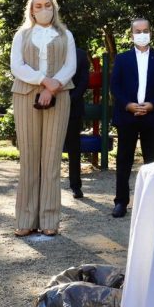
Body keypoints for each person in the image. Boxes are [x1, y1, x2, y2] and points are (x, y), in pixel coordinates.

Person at [10, 0, 76, 237]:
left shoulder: (65, 34)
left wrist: (52, 86)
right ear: (31, 10)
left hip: (59, 96)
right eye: (38, 6)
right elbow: (17, 65)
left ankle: (49, 219)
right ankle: (25, 218)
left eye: (47, 5)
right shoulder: (22, 34)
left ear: (54, 8)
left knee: (51, 160)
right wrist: (43, 81)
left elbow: (71, 66)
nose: (43, 9)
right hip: (26, 97)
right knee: (29, 158)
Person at [110, 18, 154, 218]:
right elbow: (115, 86)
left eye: (146, 30)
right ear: (132, 35)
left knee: (152, 160)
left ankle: (153, 202)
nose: (142, 34)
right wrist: (128, 105)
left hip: (151, 117)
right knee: (124, 160)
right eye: (138, 31)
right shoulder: (122, 58)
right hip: (127, 116)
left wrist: (152, 104)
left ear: (150, 33)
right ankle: (121, 202)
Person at [64, 47, 90, 199]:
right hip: (50, 106)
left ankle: (76, 185)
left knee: (74, 148)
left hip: (73, 107)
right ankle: (45, 186)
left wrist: (69, 99)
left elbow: (83, 81)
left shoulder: (80, 54)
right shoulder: (48, 51)